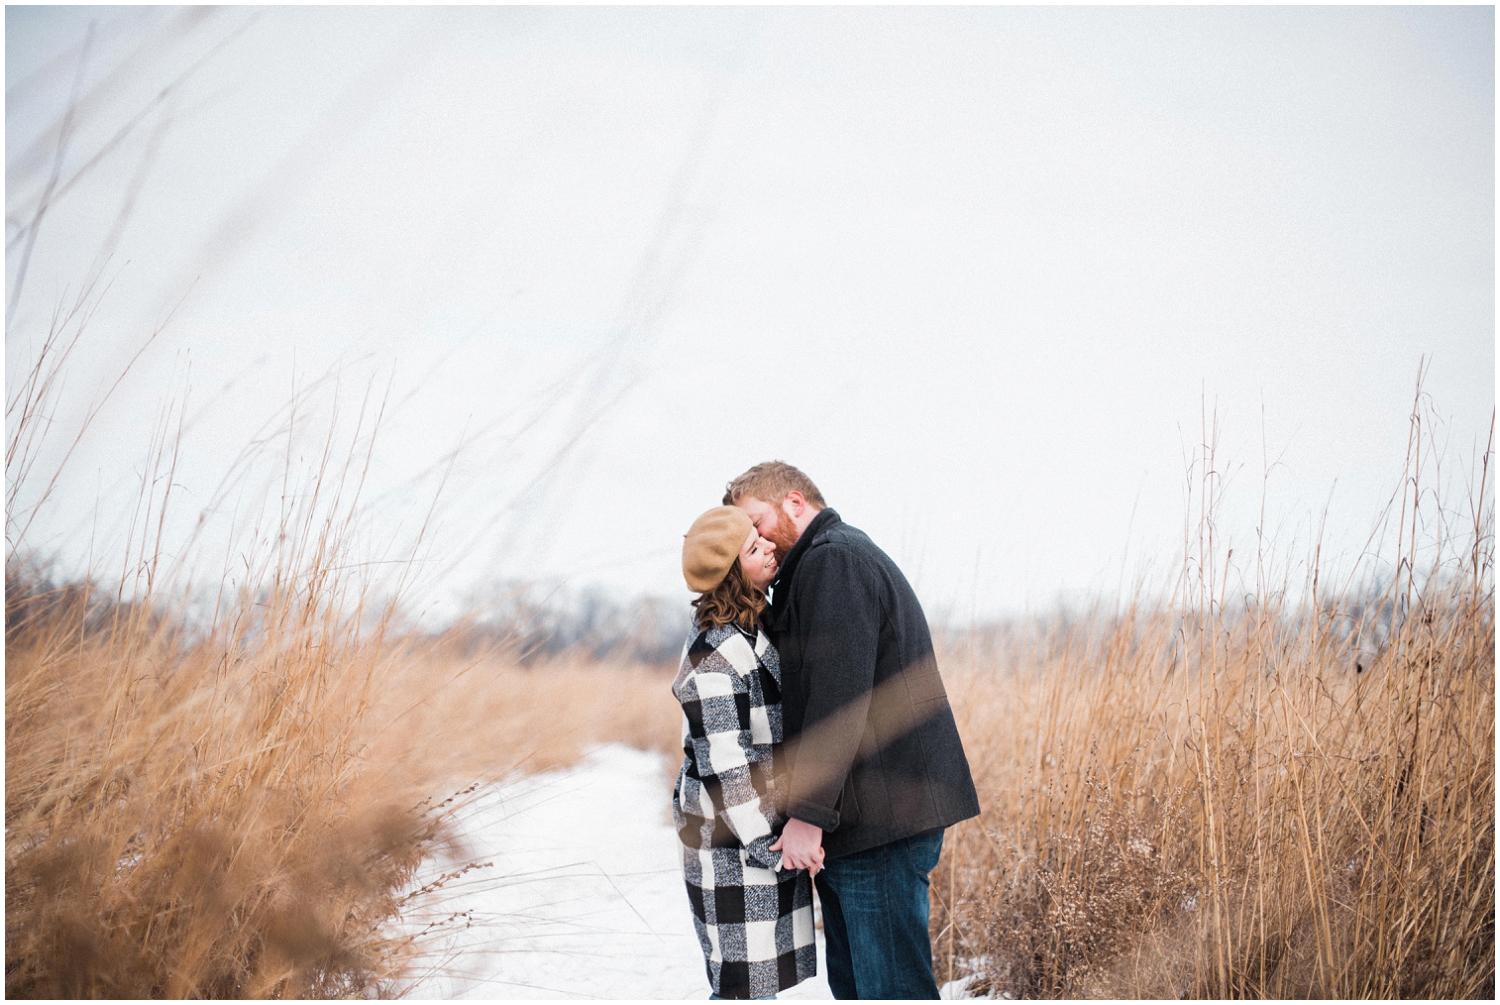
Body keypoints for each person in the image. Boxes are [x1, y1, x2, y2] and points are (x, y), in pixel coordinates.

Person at [724, 462, 981, 1001]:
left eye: (756, 522)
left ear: (794, 503)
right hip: (864, 819)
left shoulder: (834, 561)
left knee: (888, 991)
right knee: (861, 989)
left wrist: (808, 816)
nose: (754, 538)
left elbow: (840, 699)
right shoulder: (814, 570)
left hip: (883, 817)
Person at [672, 505, 819, 1000]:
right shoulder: (713, 660)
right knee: (741, 988)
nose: (771, 547)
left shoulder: (753, 627)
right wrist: (770, 849)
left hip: (756, 833)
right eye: (755, 550)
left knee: (760, 983)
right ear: (734, 574)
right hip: (731, 840)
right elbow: (726, 769)